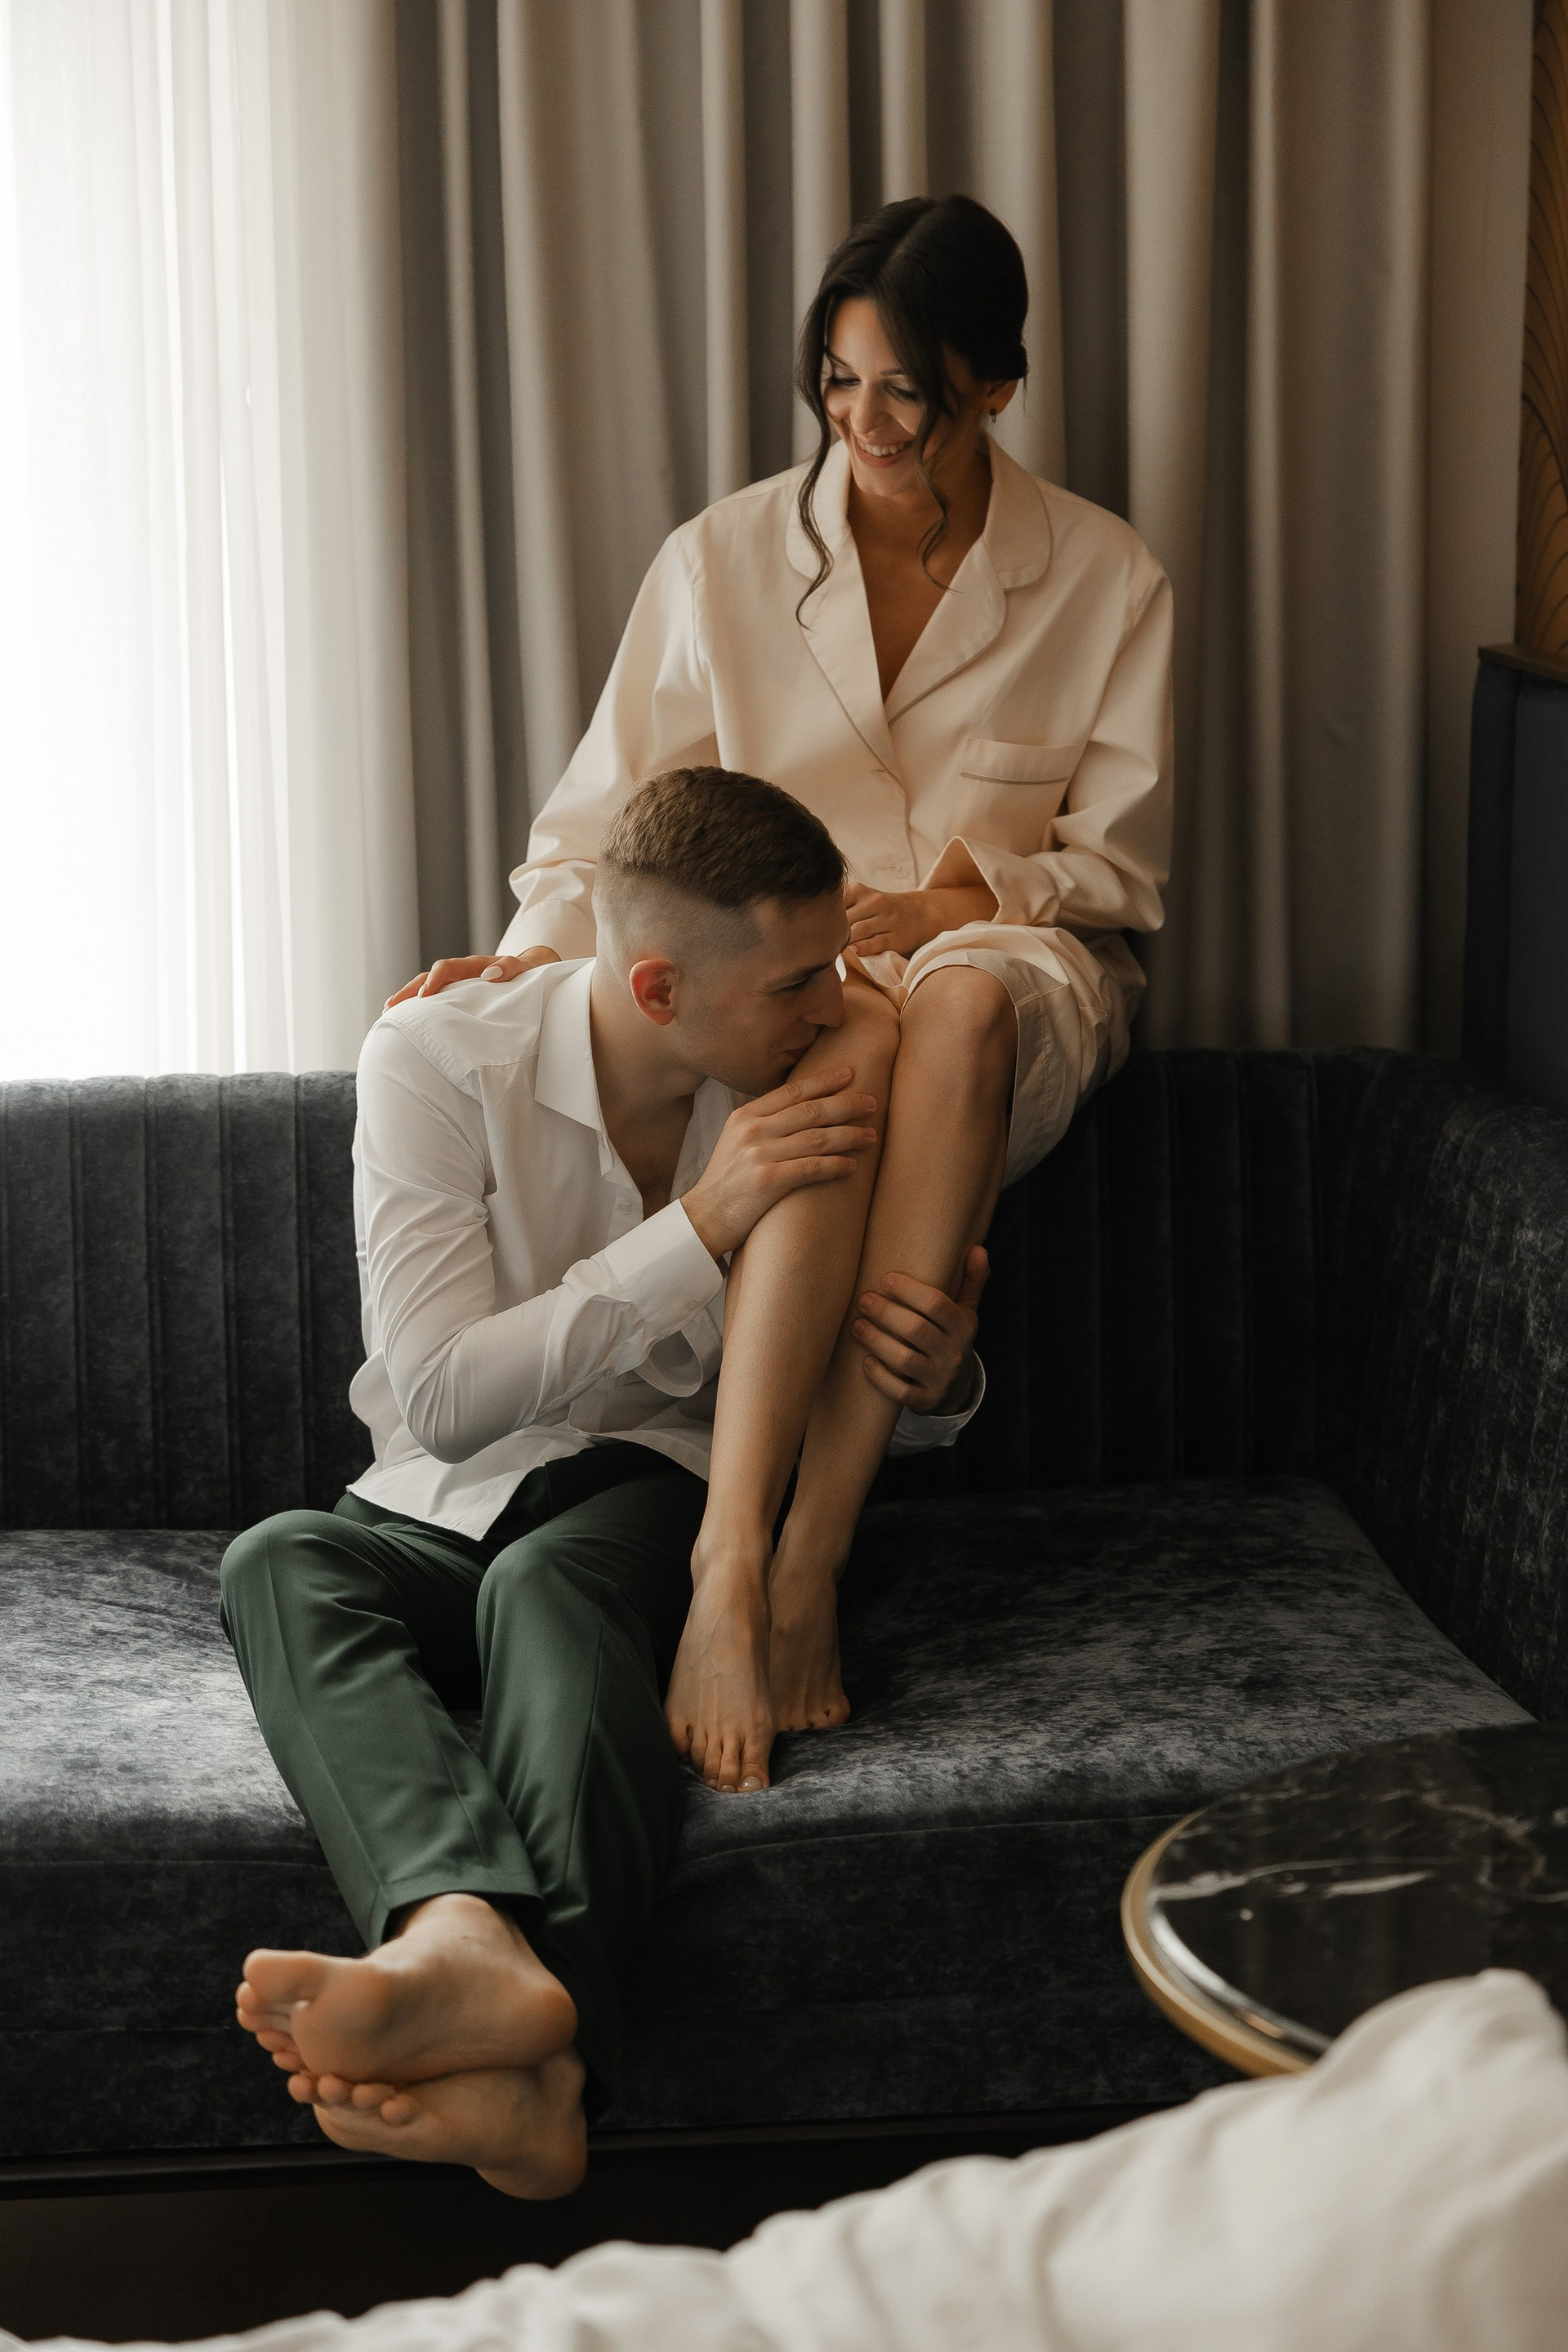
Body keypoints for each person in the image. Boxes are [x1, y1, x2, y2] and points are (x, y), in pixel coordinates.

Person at [395, 194, 1172, 1797]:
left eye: (908, 393)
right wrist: (528, 960)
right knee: (855, 1029)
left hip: (1019, 970)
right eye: (839, 384)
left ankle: (805, 1555)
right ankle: (737, 1566)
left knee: (946, 1007)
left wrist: (961, 897)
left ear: (996, 388)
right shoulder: (722, 560)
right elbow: (610, 825)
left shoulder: (1105, 574)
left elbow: (1119, 870)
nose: (864, 424)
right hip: (804, 985)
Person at [220, 770, 984, 2194]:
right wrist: (700, 1223)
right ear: (656, 988)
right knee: (277, 1557)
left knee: (551, 1582)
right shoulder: (436, 1059)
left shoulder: (821, 1069)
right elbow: (444, 1402)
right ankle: (460, 1930)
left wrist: (940, 1388)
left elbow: (840, 1359)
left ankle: (544, 2052)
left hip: (662, 1489)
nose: (835, 1002)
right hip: (442, 1497)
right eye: (795, 980)